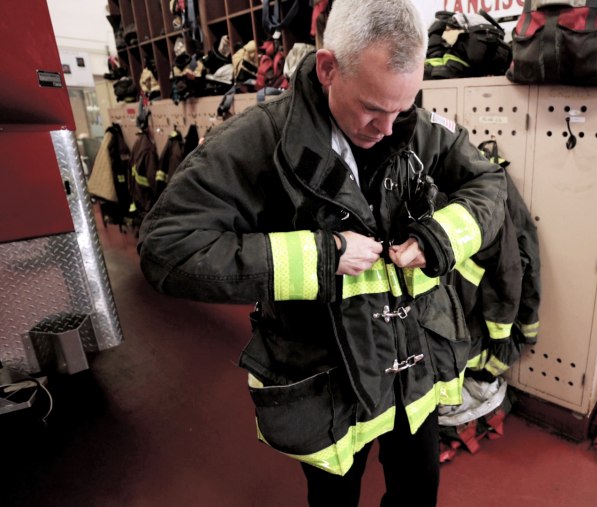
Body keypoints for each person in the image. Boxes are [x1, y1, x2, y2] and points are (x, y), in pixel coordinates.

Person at [137, 0, 507, 505]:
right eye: (373, 109)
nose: (389, 128)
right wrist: (321, 257)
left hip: (414, 363)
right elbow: (167, 249)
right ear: (328, 67)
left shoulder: (413, 127)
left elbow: (488, 183)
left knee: (418, 490)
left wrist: (438, 237)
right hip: (328, 378)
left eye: (403, 107)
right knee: (334, 498)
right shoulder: (259, 141)